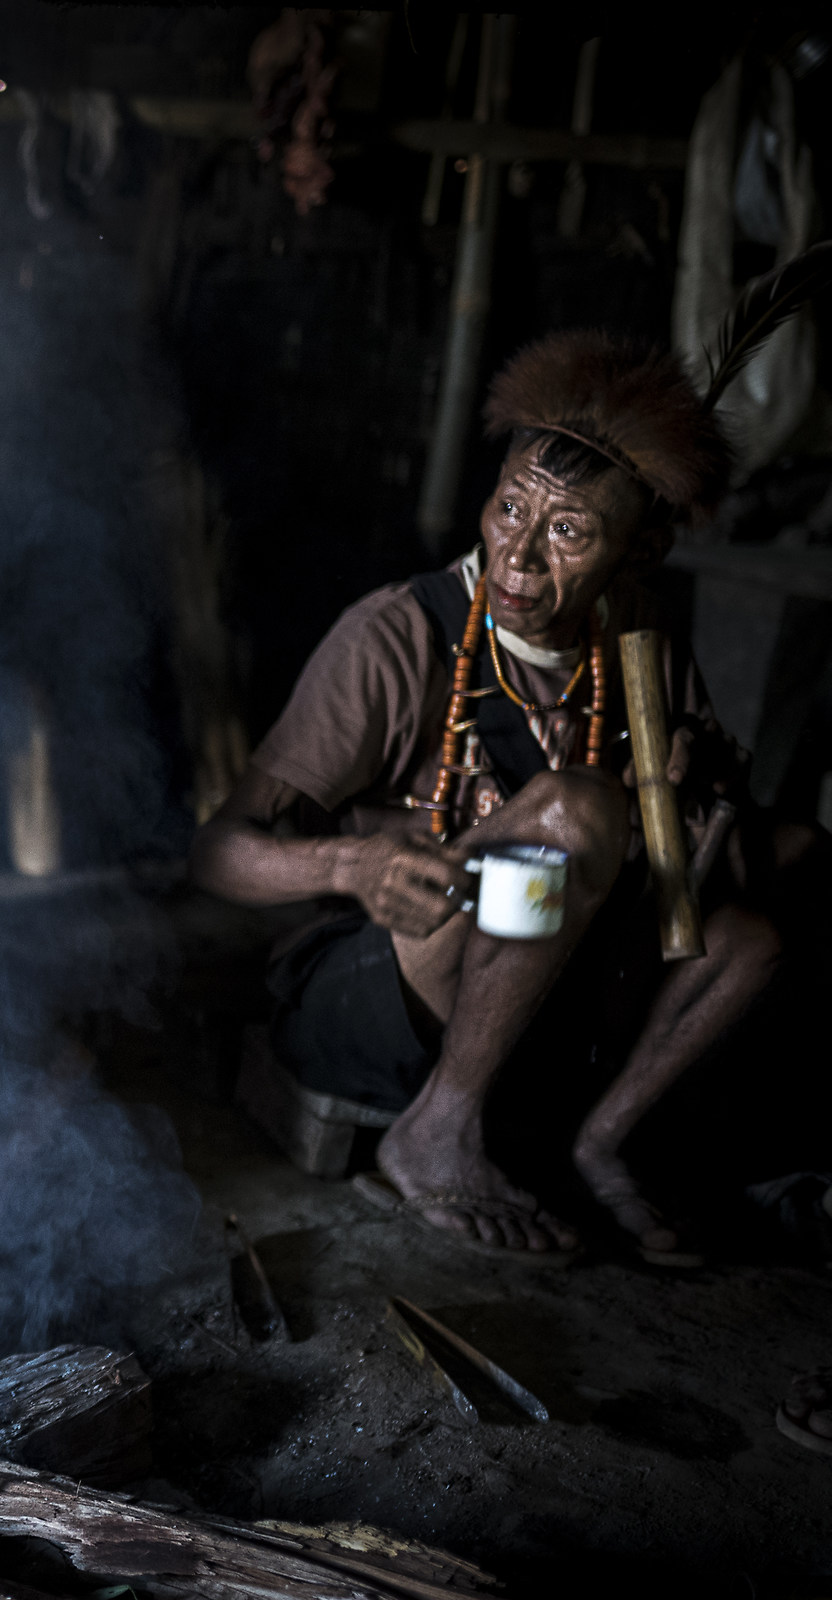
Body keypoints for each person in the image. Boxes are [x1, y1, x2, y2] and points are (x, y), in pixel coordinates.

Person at [192, 331, 806, 1266]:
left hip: (543, 1016)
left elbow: (681, 873)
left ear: (636, 552)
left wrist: (704, 787)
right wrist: (348, 864)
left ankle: (604, 1139)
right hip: (382, 999)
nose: (518, 555)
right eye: (510, 505)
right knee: (573, 812)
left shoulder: (642, 644)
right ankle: (438, 1126)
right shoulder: (398, 634)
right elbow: (216, 852)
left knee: (753, 939)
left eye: (566, 531)